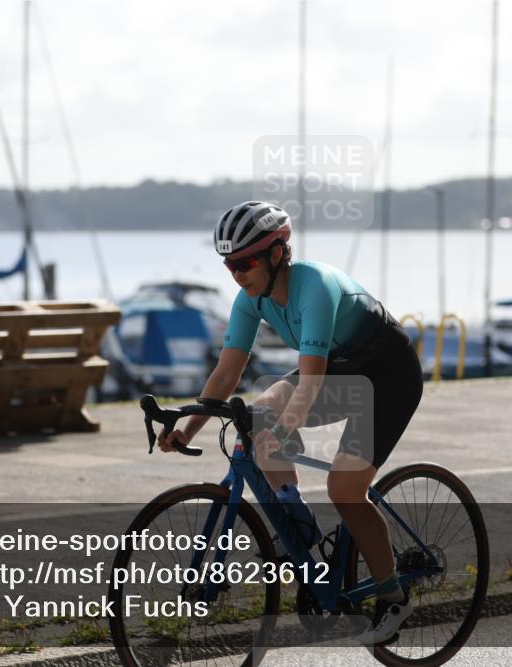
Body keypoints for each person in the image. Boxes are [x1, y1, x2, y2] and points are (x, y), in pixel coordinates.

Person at [156, 201, 424, 645]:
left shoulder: (313, 286)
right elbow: (225, 375)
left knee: (344, 488)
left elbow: (312, 378)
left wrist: (283, 432)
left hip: (388, 377)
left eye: (245, 262)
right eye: (229, 265)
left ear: (277, 253)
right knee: (259, 412)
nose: (238, 274)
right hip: (343, 368)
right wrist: (186, 428)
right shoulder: (249, 301)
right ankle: (295, 518)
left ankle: (393, 596)